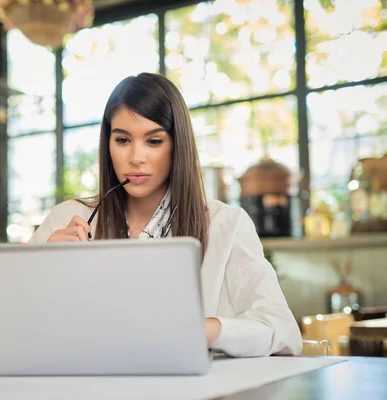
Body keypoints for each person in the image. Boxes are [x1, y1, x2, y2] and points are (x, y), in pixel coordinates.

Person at [28, 72, 302, 358]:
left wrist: (200, 330)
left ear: (177, 145)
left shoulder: (226, 225)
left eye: (154, 141)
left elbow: (283, 331)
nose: (136, 157)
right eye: (122, 140)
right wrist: (47, 272)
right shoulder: (67, 219)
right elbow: (10, 322)